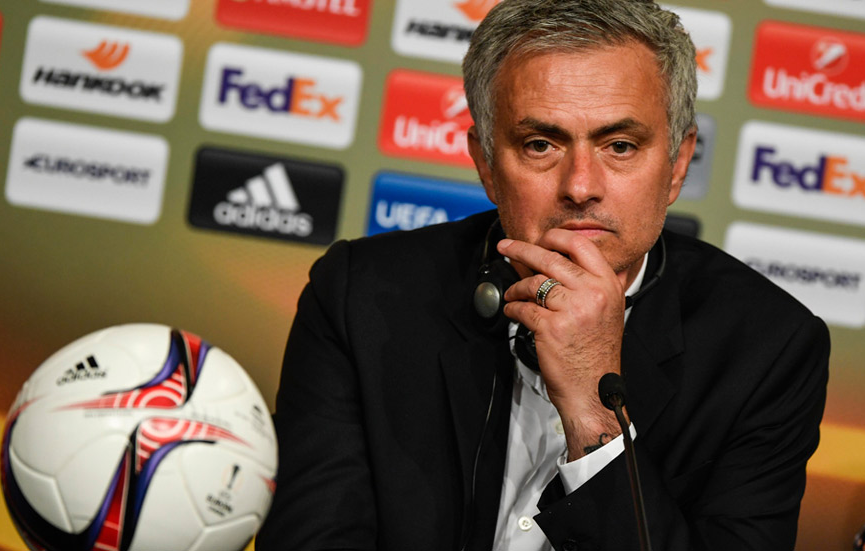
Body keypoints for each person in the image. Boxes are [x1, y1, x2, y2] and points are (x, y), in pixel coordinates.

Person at [255, 1, 830, 549]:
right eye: (540, 144)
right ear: (485, 162)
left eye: (620, 145)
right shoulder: (361, 297)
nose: (580, 186)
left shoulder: (768, 350)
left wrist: (593, 413)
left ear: (678, 164)